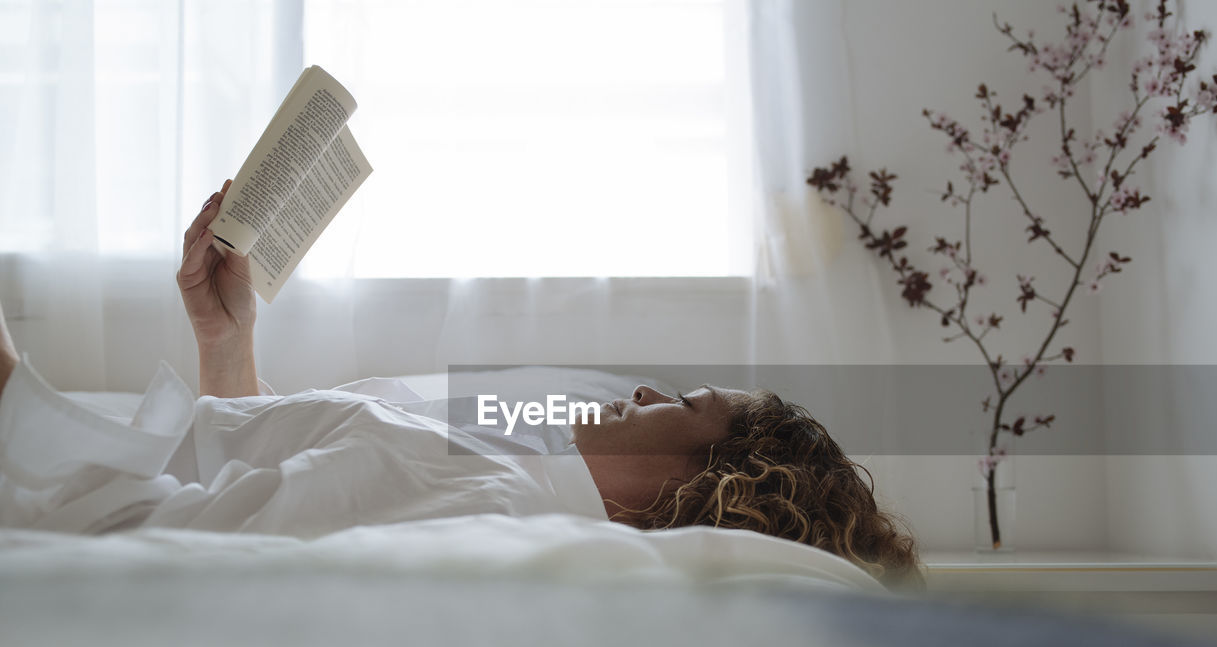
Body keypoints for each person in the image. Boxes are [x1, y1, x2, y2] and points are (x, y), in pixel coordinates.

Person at [0, 184, 921, 589]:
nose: (644, 394)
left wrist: (6, 379)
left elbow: (143, 531)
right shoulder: (505, 475)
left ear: (705, 486)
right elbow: (250, 485)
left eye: (681, 406)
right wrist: (227, 339)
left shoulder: (487, 498)